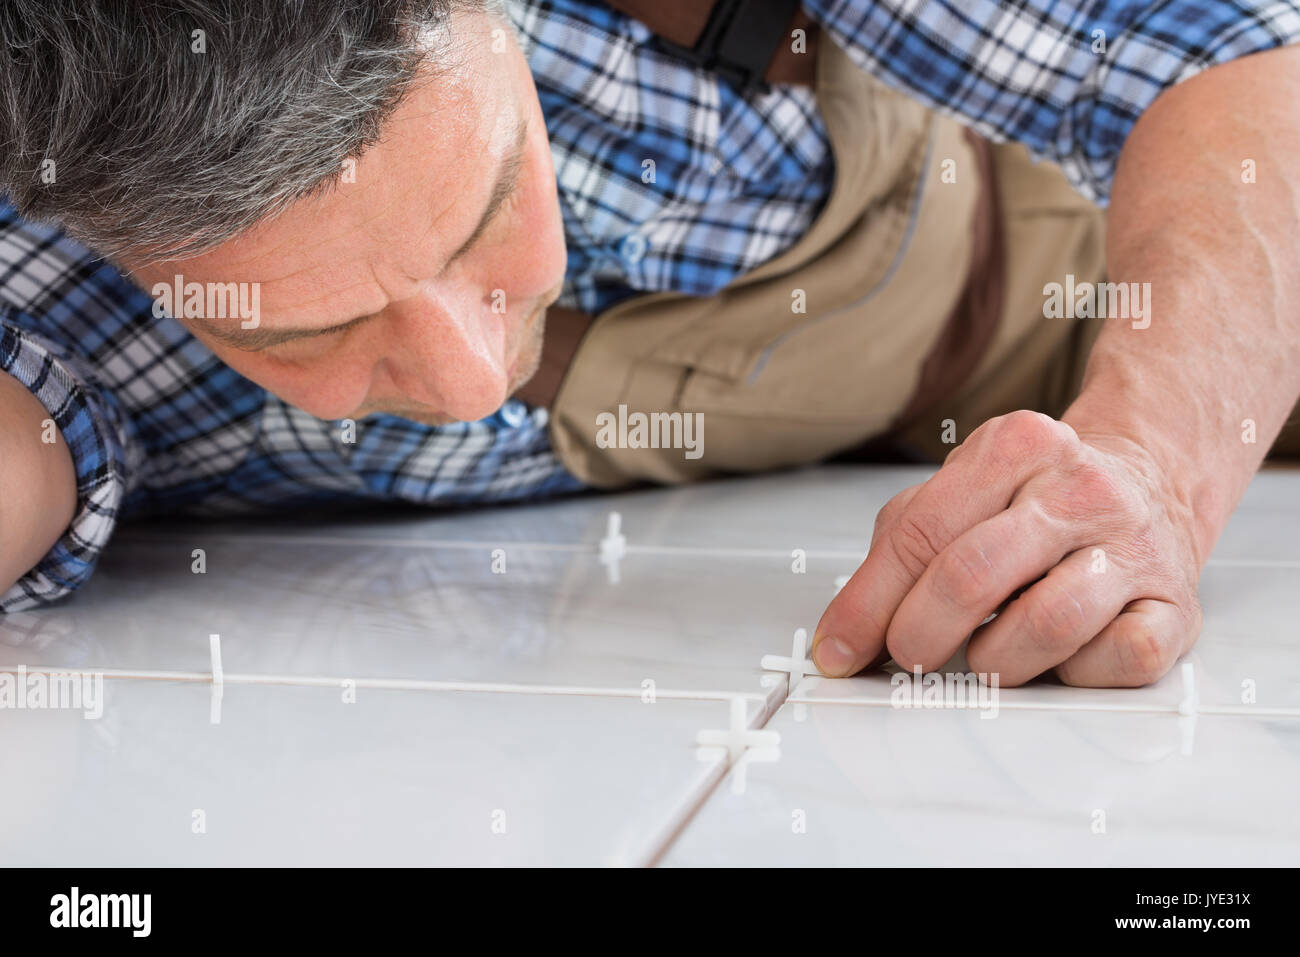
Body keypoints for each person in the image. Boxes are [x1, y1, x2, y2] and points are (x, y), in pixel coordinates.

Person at [1, 0, 1298, 690]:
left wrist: (1154, 470)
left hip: (1112, 244)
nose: (465, 384)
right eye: (312, 329)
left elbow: (1236, 65)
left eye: (489, 208)